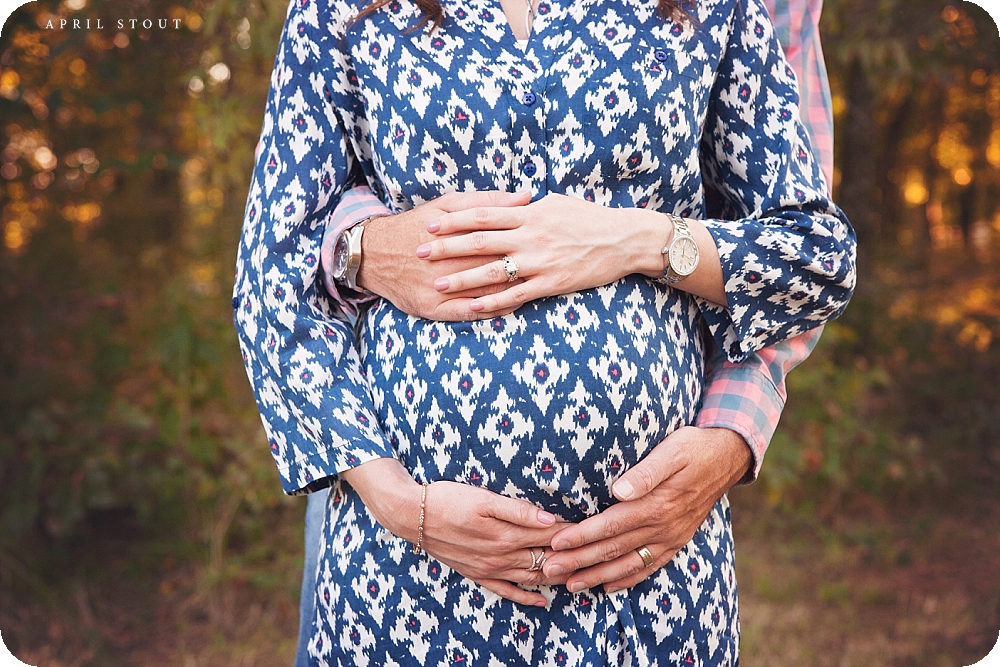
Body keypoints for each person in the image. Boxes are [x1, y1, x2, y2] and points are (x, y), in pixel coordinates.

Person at [233, 0, 856, 662]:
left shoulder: (718, 9)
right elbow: (278, 270)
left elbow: (814, 254)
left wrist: (638, 239)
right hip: (404, 584)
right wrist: (396, 501)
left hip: (650, 593)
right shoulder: (343, 9)